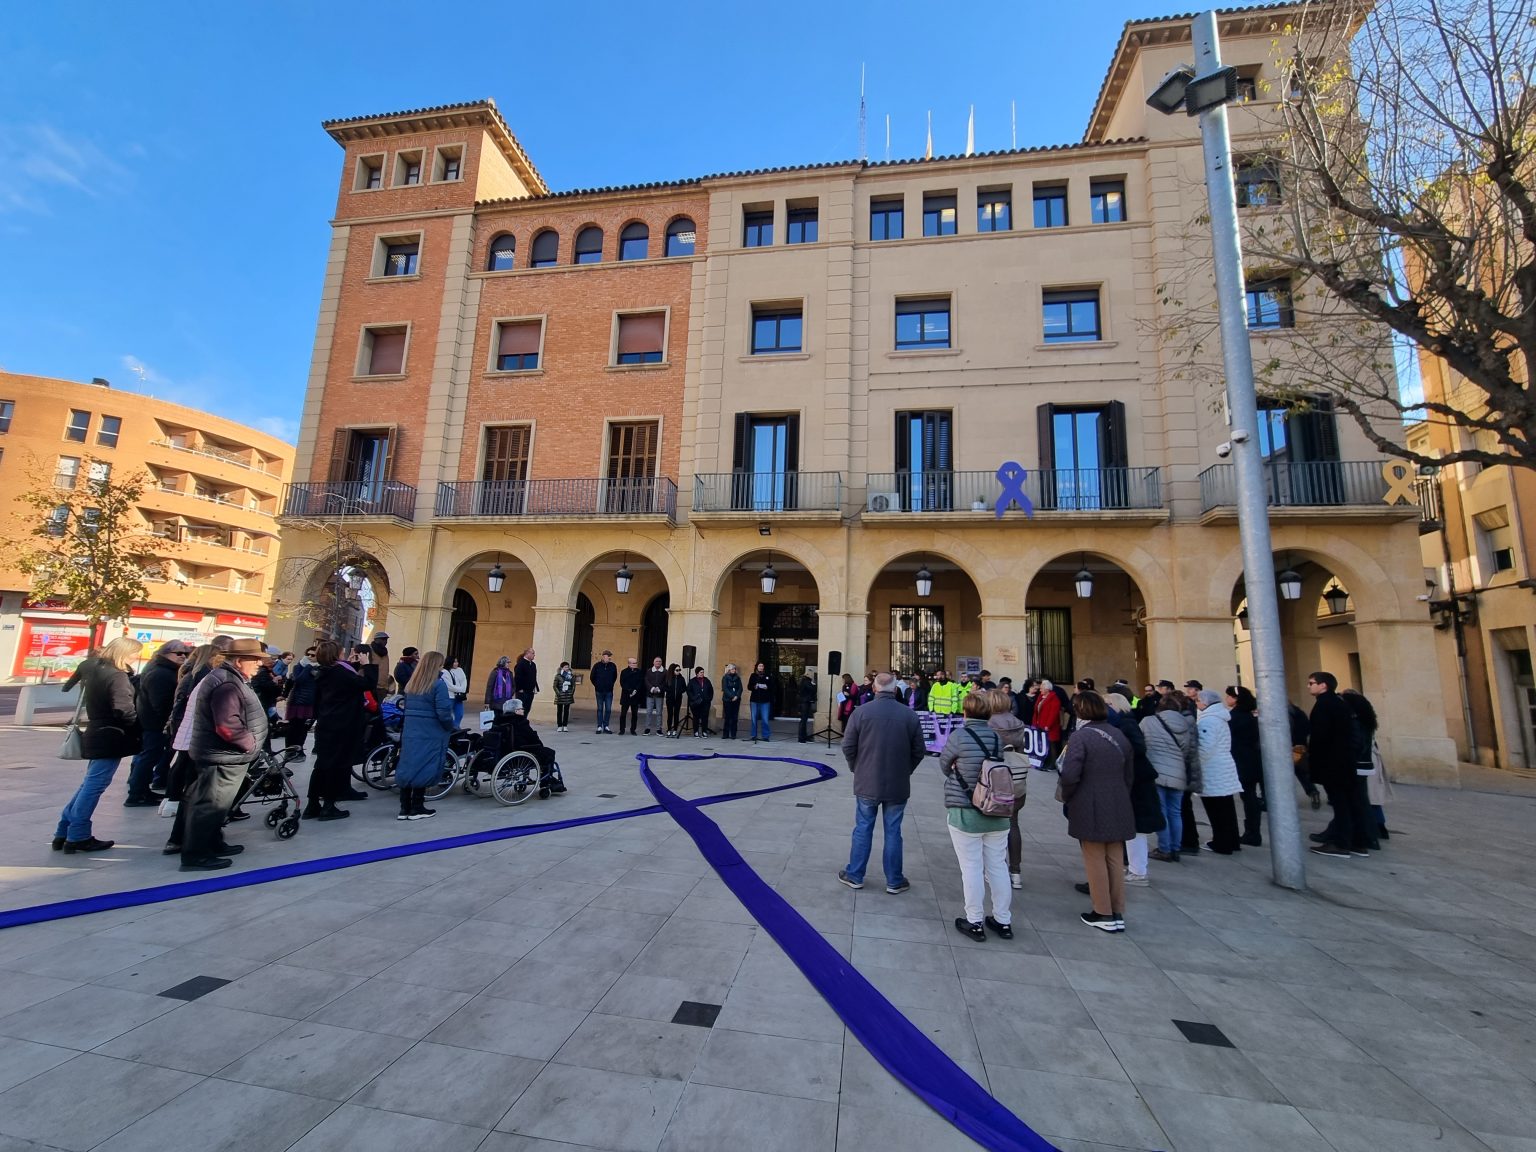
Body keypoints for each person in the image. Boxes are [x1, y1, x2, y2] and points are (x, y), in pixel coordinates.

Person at [180, 638, 268, 871]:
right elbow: (227, 725)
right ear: (239, 661)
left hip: (224, 755)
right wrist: (249, 744)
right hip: (222, 755)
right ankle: (196, 855)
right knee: (211, 805)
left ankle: (212, 843)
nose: (259, 664)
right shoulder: (227, 683)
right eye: (255, 660)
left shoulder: (229, 678)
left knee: (217, 805)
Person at [53, 636, 143, 853]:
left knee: (89, 784)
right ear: (124, 653)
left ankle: (63, 831)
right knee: (94, 786)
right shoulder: (117, 675)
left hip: (96, 731)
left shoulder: (94, 669)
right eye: (134, 652)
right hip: (110, 735)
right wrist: (137, 726)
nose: (137, 657)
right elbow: (123, 709)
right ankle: (78, 835)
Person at [837, 672, 926, 894]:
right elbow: (919, 751)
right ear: (895, 690)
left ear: (875, 689)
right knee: (893, 831)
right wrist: (906, 771)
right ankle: (894, 879)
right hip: (897, 783)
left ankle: (855, 874)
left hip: (867, 780)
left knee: (863, 828)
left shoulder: (861, 713)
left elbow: (847, 746)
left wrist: (857, 767)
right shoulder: (909, 715)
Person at [1058, 691, 1134, 932]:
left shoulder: (1082, 737)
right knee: (1114, 857)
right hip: (1118, 800)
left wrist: (1068, 795)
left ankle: (1102, 911)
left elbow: (1070, 774)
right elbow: (1129, 773)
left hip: (1091, 802)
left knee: (1094, 858)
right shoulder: (1118, 734)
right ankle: (1116, 908)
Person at [940, 691, 1014, 941]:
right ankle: (1003, 920)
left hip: (965, 810)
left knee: (971, 867)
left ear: (965, 712)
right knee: (997, 867)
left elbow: (943, 764)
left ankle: (975, 921)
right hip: (996, 810)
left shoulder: (959, 735)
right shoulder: (995, 737)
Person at [1105, 692, 1164, 887]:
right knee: (1130, 824)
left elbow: (1138, 748)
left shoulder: (1126, 723)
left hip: (1137, 780)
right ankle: (1132, 866)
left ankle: (1138, 870)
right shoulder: (1124, 722)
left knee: (1135, 826)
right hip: (1130, 779)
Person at [1307, 671, 1366, 858]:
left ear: (1323, 685)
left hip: (1333, 762)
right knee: (1350, 802)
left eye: (1311, 683)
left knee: (1341, 803)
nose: (1309, 686)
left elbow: (1321, 736)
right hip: (1344, 761)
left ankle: (1341, 844)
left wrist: (1312, 757)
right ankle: (1357, 842)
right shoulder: (1339, 704)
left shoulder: (1325, 705)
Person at [306, 640, 364, 821]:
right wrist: (367, 665)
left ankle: (312, 804)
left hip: (326, 723)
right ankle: (329, 806)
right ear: (335, 654)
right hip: (341, 723)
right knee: (335, 766)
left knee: (321, 765)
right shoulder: (339, 672)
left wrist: (352, 664)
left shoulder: (323, 672)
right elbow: (365, 683)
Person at [126, 638, 189, 805]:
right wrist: (168, 723)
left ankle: (142, 790)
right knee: (148, 758)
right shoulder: (160, 672)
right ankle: (137, 793)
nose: (183, 656)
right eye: (179, 653)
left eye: (186, 653)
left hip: (154, 723)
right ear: (164, 653)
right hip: (155, 724)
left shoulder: (163, 669)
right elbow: (160, 703)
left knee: (149, 757)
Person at [397, 651, 454, 820]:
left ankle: (404, 808)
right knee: (425, 765)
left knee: (408, 765)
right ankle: (417, 807)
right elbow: (443, 712)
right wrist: (450, 726)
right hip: (430, 732)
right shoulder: (438, 685)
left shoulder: (412, 685)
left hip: (411, 731)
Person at [1142, 694, 1197, 863]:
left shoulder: (1148, 721)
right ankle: (1175, 847)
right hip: (1178, 773)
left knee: (1162, 811)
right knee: (1176, 812)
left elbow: (1141, 743)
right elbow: (1187, 750)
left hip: (1157, 771)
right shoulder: (1186, 724)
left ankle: (1164, 848)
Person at [986, 687, 1030, 890]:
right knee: (1013, 824)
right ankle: (1016, 871)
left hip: (995, 779)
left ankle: (994, 869)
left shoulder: (989, 723)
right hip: (1017, 779)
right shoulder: (1017, 723)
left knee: (990, 827)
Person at [1194, 689, 1242, 854]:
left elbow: (1205, 748)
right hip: (1223, 766)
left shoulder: (1209, 721)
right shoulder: (1219, 718)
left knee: (1216, 809)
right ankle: (1232, 840)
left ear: (1206, 702)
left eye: (1198, 700)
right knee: (1226, 807)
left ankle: (1222, 842)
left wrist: (1195, 761)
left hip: (1213, 769)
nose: (1197, 703)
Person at [1342, 689, 1382, 850]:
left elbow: (1355, 745)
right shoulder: (1366, 721)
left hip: (1356, 766)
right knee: (1361, 802)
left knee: (1357, 803)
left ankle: (1365, 838)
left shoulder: (1355, 723)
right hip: (1364, 766)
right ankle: (1370, 835)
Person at [504, 698, 566, 796]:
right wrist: (539, 744)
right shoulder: (520, 722)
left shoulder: (499, 721)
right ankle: (545, 782)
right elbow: (532, 738)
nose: (523, 710)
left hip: (505, 752)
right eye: (521, 708)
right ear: (516, 711)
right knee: (549, 753)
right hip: (521, 752)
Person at [1226, 685, 1263, 847]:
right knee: (1250, 797)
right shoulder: (1250, 715)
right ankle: (1253, 831)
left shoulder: (1235, 717)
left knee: (1248, 798)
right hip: (1251, 759)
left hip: (1241, 760)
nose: (1226, 699)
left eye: (1229, 696)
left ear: (1236, 699)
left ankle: (1252, 832)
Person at [284, 647, 317, 754]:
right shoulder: (299, 666)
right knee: (293, 727)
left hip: (311, 702)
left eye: (313, 655)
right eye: (308, 654)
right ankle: (290, 750)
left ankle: (299, 749)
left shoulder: (320, 668)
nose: (310, 657)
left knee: (304, 728)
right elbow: (299, 680)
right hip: (297, 701)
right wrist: (307, 667)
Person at [249, 654, 282, 753]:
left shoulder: (265, 672)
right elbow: (270, 688)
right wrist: (275, 683)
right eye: (270, 661)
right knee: (263, 728)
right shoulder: (263, 672)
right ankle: (266, 751)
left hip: (263, 702)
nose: (272, 663)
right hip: (262, 702)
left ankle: (266, 750)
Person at [1033, 678, 1064, 768]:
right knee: (1043, 745)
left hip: (1050, 726)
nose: (1040, 689)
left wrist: (1048, 725)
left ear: (1047, 689)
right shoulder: (1040, 697)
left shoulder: (1054, 699)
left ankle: (1053, 764)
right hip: (1040, 724)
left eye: (1042, 688)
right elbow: (1036, 711)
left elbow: (1053, 714)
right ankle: (1044, 762)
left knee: (1051, 745)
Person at [589, 650, 617, 733]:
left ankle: (606, 726)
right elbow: (592, 677)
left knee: (608, 709)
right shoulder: (597, 666)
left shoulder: (612, 666)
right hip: (599, 691)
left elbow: (614, 677)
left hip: (609, 691)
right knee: (600, 709)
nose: (610, 658)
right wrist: (597, 685)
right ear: (604, 656)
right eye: (608, 656)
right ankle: (599, 726)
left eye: (610, 656)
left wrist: (610, 684)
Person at [747, 662, 774, 741]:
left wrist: (767, 687)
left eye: (762, 666)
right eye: (759, 666)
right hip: (754, 700)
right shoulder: (753, 675)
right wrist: (754, 686)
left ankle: (766, 736)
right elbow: (749, 686)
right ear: (756, 667)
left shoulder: (767, 676)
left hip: (765, 700)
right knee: (754, 719)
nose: (761, 667)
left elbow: (772, 687)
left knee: (765, 719)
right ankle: (753, 735)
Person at [617, 656, 644, 734]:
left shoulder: (639, 671)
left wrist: (635, 690)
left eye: (636, 663)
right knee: (623, 714)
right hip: (626, 695)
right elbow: (622, 683)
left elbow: (640, 682)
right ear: (629, 664)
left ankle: (633, 729)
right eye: (633, 663)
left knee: (634, 714)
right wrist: (630, 691)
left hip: (635, 695)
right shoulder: (624, 672)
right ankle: (622, 729)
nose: (635, 664)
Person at [687, 666, 714, 737]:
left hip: (705, 702)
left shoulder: (706, 680)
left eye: (703, 672)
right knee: (696, 717)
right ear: (697, 673)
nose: (702, 674)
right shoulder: (692, 681)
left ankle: (704, 731)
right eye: (701, 672)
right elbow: (689, 691)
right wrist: (693, 698)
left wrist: (709, 698)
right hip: (696, 703)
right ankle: (696, 731)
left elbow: (711, 690)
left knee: (705, 717)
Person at [443, 656, 469, 728]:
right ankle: (452, 728)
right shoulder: (445, 672)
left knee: (459, 714)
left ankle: (455, 727)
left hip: (458, 696)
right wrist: (460, 689)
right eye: (454, 662)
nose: (456, 663)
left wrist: (462, 689)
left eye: (457, 661)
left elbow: (464, 680)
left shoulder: (460, 670)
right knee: (447, 714)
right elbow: (449, 685)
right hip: (450, 696)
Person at [644, 656, 667, 735]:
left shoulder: (665, 671)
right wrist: (652, 688)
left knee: (659, 713)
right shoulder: (649, 671)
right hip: (650, 694)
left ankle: (658, 729)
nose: (658, 663)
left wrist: (659, 688)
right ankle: (647, 728)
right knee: (649, 712)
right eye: (656, 661)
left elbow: (665, 682)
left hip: (659, 695)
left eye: (659, 661)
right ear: (653, 662)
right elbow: (646, 681)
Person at [514, 647, 539, 717]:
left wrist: (535, 687)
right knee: (521, 709)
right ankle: (519, 725)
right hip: (522, 691)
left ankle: (524, 724)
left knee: (527, 708)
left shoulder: (533, 665)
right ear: (527, 654)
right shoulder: (521, 664)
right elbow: (518, 678)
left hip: (530, 691)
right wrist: (520, 689)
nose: (534, 655)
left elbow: (533, 677)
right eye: (533, 653)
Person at [720, 663, 743, 739]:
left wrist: (737, 696)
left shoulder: (738, 678)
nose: (734, 670)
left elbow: (740, 688)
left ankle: (733, 734)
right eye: (732, 669)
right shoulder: (725, 678)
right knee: (727, 717)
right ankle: (725, 734)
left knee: (734, 717)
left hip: (736, 700)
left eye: (734, 669)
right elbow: (725, 688)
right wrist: (732, 696)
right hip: (727, 700)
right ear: (729, 670)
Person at [552, 661, 576, 732]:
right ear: (562, 667)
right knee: (559, 711)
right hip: (560, 696)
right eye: (565, 667)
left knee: (566, 711)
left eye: (568, 667)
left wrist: (571, 693)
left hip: (568, 696)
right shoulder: (558, 676)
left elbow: (573, 685)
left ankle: (565, 725)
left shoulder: (571, 676)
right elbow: (554, 686)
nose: (567, 668)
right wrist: (558, 693)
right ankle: (559, 725)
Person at [664, 663, 686, 736]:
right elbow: (665, 687)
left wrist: (680, 691)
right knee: (670, 714)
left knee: (676, 714)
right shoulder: (668, 678)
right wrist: (670, 691)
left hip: (678, 699)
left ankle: (675, 729)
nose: (678, 671)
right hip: (670, 698)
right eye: (677, 670)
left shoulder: (681, 678)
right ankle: (669, 729)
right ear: (673, 670)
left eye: (679, 670)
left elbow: (684, 688)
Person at [797, 669, 818, 742]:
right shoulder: (806, 681)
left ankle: (804, 736)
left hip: (804, 702)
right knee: (803, 720)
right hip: (805, 703)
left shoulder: (803, 681)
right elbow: (813, 690)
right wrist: (814, 685)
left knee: (804, 720)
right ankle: (801, 738)